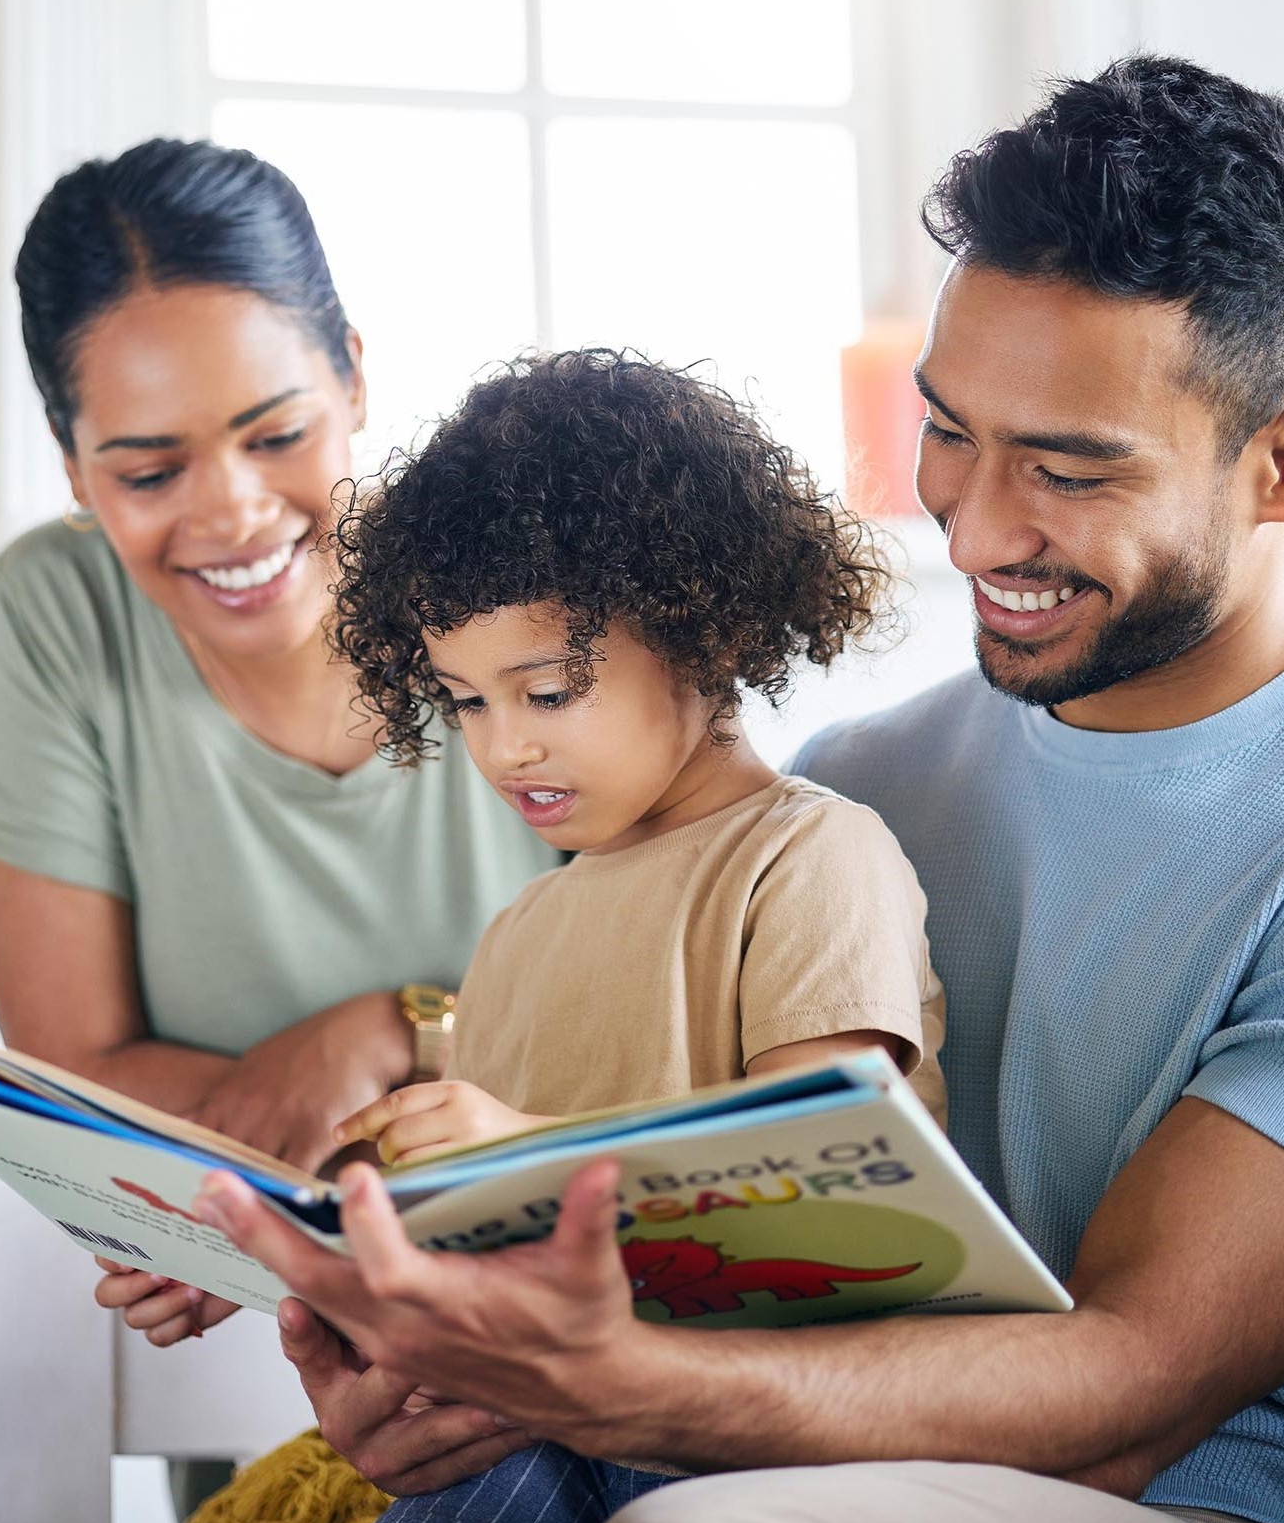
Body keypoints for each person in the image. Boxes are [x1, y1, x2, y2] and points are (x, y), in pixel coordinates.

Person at [192, 57, 1284, 1523]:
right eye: (948, 429)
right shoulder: (856, 785)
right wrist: (438, 1365)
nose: (975, 525)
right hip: (801, 1464)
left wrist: (612, 1389)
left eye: (1067, 468)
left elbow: (1123, 1396)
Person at [0, 137, 559, 1368]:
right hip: (253, 1335)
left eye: (276, 435)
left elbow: (683, 1017)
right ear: (73, 467)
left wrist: (389, 1030)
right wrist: (374, 1138)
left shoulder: (526, 577)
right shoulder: (58, 613)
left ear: (355, 382)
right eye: (150, 468)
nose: (228, 511)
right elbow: (84, 1094)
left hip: (567, 1309)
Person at [324, 348, 944, 1183]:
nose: (503, 748)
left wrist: (525, 1147)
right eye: (465, 700)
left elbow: (823, 1170)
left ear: (704, 636)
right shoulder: (518, 933)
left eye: (546, 693)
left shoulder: (804, 859)